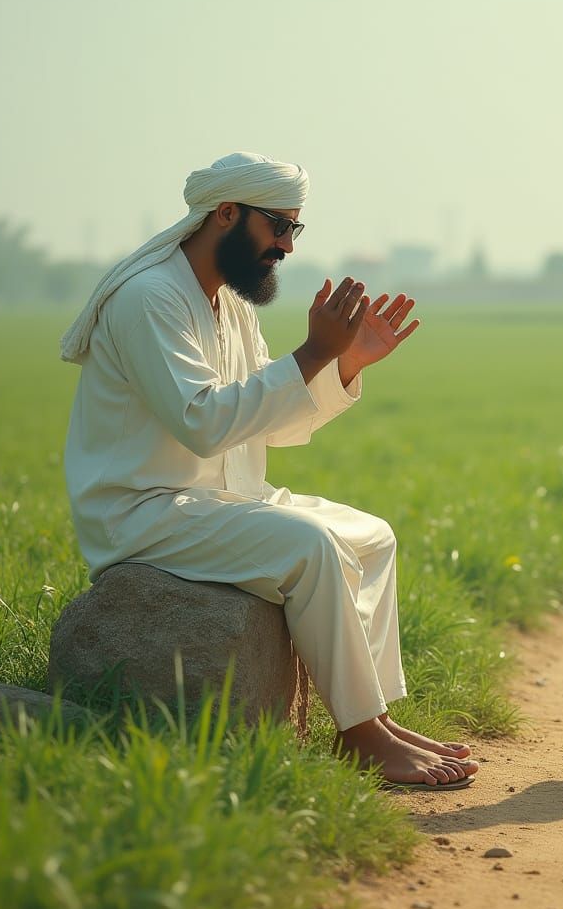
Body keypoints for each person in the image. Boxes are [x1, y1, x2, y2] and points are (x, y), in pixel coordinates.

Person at [60, 151, 478, 789]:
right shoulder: (149, 298)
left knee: (372, 535)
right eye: (277, 226)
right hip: (141, 509)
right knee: (311, 545)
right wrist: (311, 350)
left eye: (293, 230)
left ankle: (375, 719)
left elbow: (272, 426)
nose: (285, 246)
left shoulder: (231, 306)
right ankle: (360, 735)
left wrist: (345, 364)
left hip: (215, 500)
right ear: (226, 214)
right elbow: (203, 422)